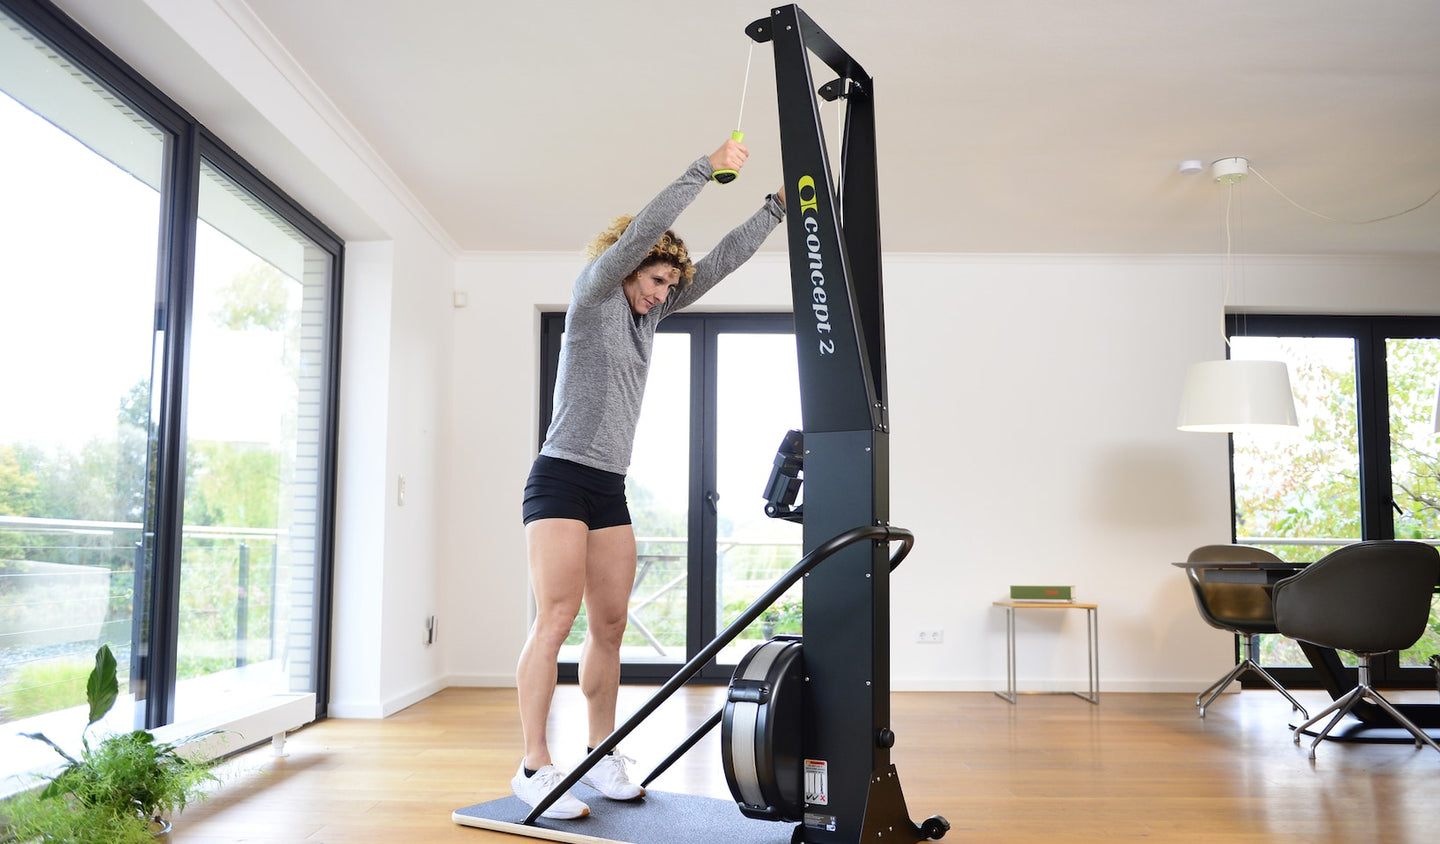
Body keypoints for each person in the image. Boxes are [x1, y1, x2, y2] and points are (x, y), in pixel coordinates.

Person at [512, 136, 786, 819]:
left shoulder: (651, 315)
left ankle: (600, 754)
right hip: (559, 478)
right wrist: (705, 169)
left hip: (609, 485)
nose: (662, 292)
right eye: (656, 279)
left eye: (669, 285)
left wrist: (776, 209)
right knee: (555, 618)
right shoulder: (595, 291)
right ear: (631, 267)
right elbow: (644, 229)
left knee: (609, 624)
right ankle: (533, 764)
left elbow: (721, 262)